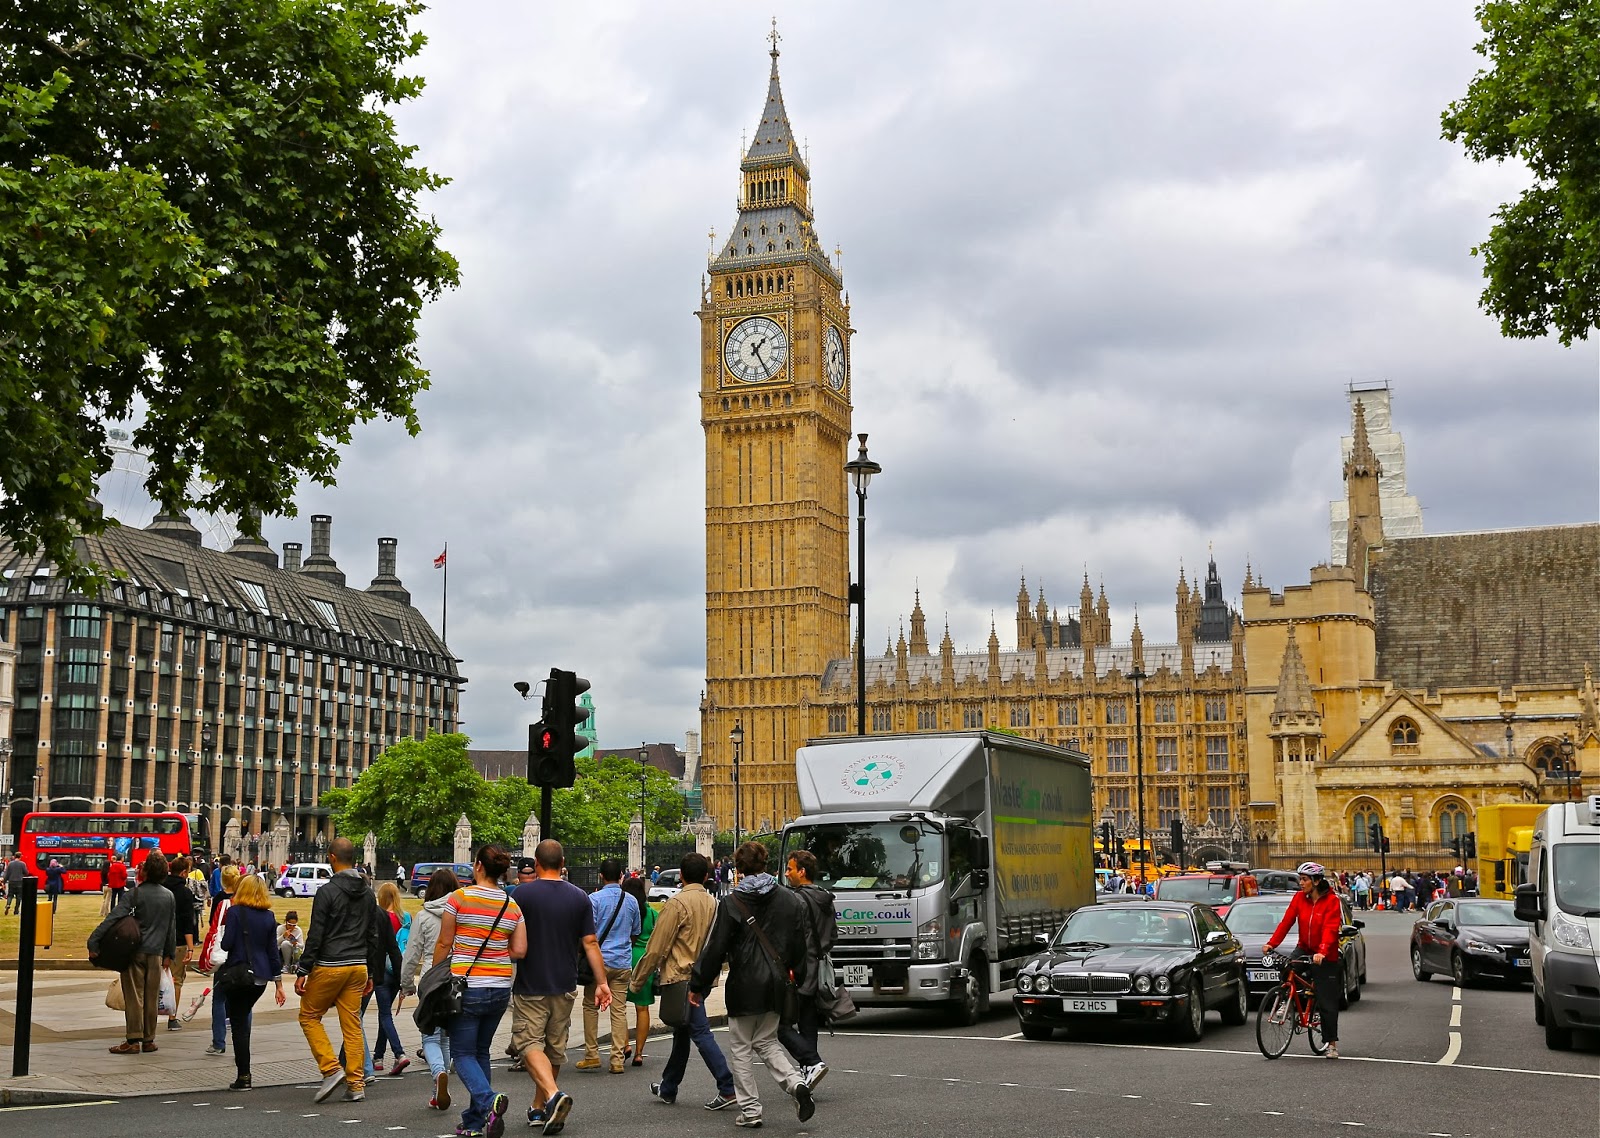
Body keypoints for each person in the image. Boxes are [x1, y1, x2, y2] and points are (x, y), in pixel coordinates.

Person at [690, 841, 818, 1128]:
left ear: (739, 869)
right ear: (765, 864)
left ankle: (750, 1110)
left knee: (741, 1048)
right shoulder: (788, 898)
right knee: (767, 1041)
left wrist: (698, 984)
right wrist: (796, 974)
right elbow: (799, 942)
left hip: (744, 983)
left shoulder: (733, 901)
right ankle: (796, 1082)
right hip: (777, 980)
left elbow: (716, 948)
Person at [509, 841, 610, 1135]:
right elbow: (590, 942)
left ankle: (552, 1096)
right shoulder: (579, 897)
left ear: (537, 863)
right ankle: (539, 1108)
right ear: (563, 862)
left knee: (528, 1045)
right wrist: (602, 982)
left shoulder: (522, 894)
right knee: (553, 1050)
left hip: (531, 983)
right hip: (565, 983)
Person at [434, 842, 525, 1138]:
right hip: (499, 986)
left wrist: (435, 978)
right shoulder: (511, 905)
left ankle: (488, 1101)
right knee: (481, 1052)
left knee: (461, 1054)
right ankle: (475, 1122)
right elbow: (520, 949)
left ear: (478, 866)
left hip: (467, 986)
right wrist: (497, 951)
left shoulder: (459, 898)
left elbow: (445, 942)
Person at [632, 851, 735, 1111]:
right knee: (682, 1031)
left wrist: (637, 981)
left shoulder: (676, 905)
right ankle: (668, 1087)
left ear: (680, 875)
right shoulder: (714, 903)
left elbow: (656, 948)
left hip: (681, 978)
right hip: (704, 977)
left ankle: (727, 1087)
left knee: (699, 1032)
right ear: (706, 875)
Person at [295, 836, 383, 1105]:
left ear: (332, 857)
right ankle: (356, 1084)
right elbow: (373, 934)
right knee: (352, 1024)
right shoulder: (368, 892)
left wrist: (303, 969)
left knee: (309, 1016)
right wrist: (370, 972)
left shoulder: (327, 892)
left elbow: (316, 934)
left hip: (331, 964)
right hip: (358, 965)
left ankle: (331, 1069)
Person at [1263, 861, 1344, 1060]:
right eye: (1300, 879)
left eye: (1305, 879)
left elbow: (1331, 929)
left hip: (1326, 954)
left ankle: (1331, 1044)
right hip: (1305, 947)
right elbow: (1286, 922)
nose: (1301, 883)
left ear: (1316, 881)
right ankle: (1286, 1001)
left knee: (1327, 1002)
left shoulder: (1332, 901)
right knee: (1287, 966)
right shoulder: (1299, 898)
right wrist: (1271, 943)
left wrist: (1323, 951)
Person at [100, 853, 176, 1054]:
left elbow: (112, 919)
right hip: (157, 953)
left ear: (146, 871)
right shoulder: (169, 896)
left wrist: (94, 940)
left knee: (134, 998)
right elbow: (171, 928)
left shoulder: (134, 894)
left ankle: (133, 1040)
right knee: (152, 997)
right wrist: (169, 954)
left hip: (135, 952)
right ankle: (149, 1040)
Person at [400, 866, 460, 1112]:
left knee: (430, 1037)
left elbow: (412, 954)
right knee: (445, 1038)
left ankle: (438, 1075)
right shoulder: (460, 913)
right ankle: (439, 1089)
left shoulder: (424, 916)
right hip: (456, 979)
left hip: (431, 980)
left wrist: (406, 984)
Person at [219, 872, 286, 1089]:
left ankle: (244, 1075)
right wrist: (278, 983)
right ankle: (243, 1070)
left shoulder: (235, 912)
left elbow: (226, 944)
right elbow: (273, 952)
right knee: (242, 1016)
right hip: (260, 978)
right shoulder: (268, 916)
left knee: (238, 1023)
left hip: (239, 972)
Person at [778, 849, 837, 1088]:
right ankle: (808, 1071)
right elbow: (832, 936)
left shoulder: (797, 899)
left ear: (802, 872)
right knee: (808, 1022)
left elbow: (791, 937)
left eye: (790, 868)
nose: (786, 873)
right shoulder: (825, 898)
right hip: (819, 967)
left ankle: (812, 1062)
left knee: (780, 1025)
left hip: (800, 970)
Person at [575, 859, 640, 1075]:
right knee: (619, 1011)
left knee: (590, 1006)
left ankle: (592, 1055)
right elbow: (635, 932)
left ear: (601, 876)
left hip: (598, 962)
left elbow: (587, 933)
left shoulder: (593, 899)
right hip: (622, 961)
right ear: (622, 875)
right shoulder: (631, 901)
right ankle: (617, 1059)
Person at [369, 881, 410, 1074]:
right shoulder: (405, 918)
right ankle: (378, 1056)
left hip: (382, 969)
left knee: (385, 1014)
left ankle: (399, 1053)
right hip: (399, 968)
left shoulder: (379, 916)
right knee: (384, 1014)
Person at [202, 865, 241, 1056]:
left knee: (219, 998)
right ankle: (242, 1038)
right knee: (243, 1001)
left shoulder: (219, 900)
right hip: (241, 955)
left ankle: (218, 1041)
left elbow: (213, 927)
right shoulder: (243, 900)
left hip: (223, 953)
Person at [619, 875, 656, 1067]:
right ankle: (639, 1052)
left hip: (625, 956)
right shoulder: (651, 914)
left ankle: (624, 1044)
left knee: (619, 1007)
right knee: (642, 1008)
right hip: (644, 960)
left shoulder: (625, 910)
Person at [161, 854, 199, 1031]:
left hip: (157, 940)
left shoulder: (160, 887)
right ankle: (172, 1017)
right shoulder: (185, 893)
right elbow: (187, 923)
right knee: (176, 980)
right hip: (177, 942)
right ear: (184, 873)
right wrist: (190, 948)